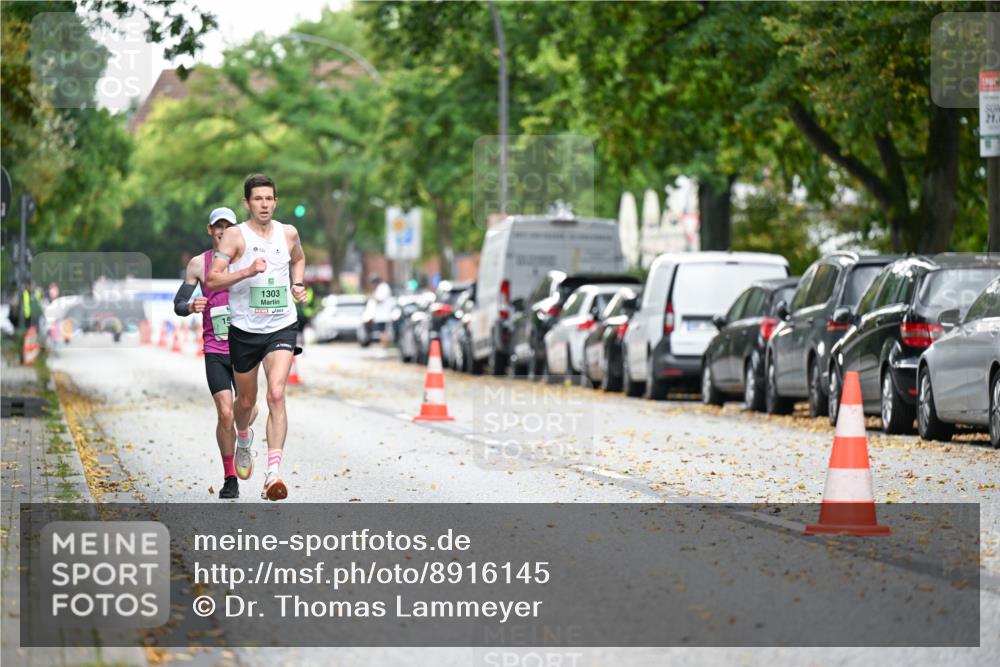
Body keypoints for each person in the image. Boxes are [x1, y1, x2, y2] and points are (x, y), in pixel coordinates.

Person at [205, 174, 307, 501]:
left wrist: (298, 284)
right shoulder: (235, 237)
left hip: (281, 325)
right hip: (245, 331)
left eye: (269, 198)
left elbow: (300, 258)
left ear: (276, 201)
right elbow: (212, 279)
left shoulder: (288, 233)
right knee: (246, 403)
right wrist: (247, 271)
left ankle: (273, 474)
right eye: (258, 199)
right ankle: (244, 437)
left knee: (276, 393)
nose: (264, 204)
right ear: (247, 202)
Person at [172, 207, 256, 499]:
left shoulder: (246, 261)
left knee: (248, 408)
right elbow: (179, 303)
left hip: (245, 346)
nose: (222, 232)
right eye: (218, 227)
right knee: (224, 413)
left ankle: (243, 437)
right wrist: (190, 306)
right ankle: (230, 477)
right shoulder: (198, 264)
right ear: (210, 230)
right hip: (215, 348)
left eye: (228, 227)